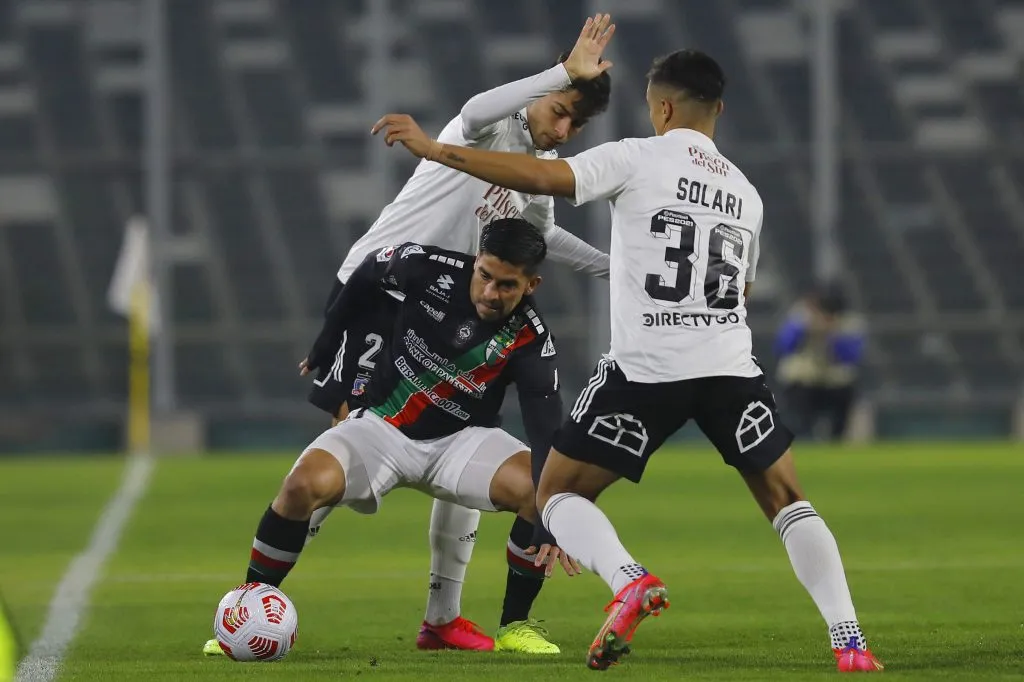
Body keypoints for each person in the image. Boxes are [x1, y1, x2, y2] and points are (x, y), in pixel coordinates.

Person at [373, 49, 884, 673]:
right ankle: (850, 641)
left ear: (662, 108)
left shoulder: (637, 157)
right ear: (718, 110)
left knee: (555, 493)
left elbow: (538, 179)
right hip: (730, 367)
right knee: (788, 500)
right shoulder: (746, 194)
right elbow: (741, 292)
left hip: (646, 371)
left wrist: (438, 150)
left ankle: (630, 580)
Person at [200, 13, 615, 657]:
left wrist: (615, 267)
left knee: (465, 429)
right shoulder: (486, 128)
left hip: (458, 306)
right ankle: (249, 606)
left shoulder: (535, 169)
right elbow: (475, 107)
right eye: (559, 110)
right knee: (344, 447)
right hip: (381, 294)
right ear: (541, 92)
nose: (561, 130)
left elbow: (541, 238)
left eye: (575, 125)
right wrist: (563, 71)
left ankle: (442, 618)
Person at [229, 220, 579, 658]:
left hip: (461, 440)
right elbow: (367, 271)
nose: (490, 292)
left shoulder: (531, 338)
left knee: (539, 490)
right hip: (380, 428)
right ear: (476, 261)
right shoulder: (429, 268)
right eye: (485, 275)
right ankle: (244, 612)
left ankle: (514, 625)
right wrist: (326, 343)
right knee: (301, 485)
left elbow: (545, 431)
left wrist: (550, 512)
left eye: (507, 285)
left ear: (531, 285)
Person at [775, 282, 866, 441]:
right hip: (804, 380)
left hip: (834, 382)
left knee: (844, 398)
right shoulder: (801, 317)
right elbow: (783, 347)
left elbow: (850, 357)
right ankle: (802, 439)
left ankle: (836, 440)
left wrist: (832, 334)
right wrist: (805, 328)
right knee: (798, 410)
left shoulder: (849, 324)